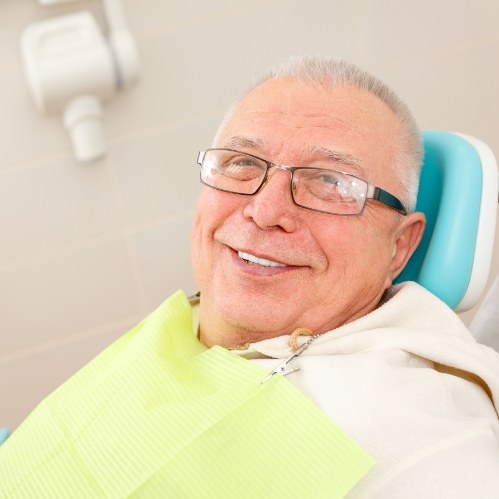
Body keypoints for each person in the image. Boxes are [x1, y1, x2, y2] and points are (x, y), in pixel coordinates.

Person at [1, 56, 499, 498]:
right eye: (242, 163)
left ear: (400, 246)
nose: (264, 210)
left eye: (330, 182)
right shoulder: (194, 320)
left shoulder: (421, 431)